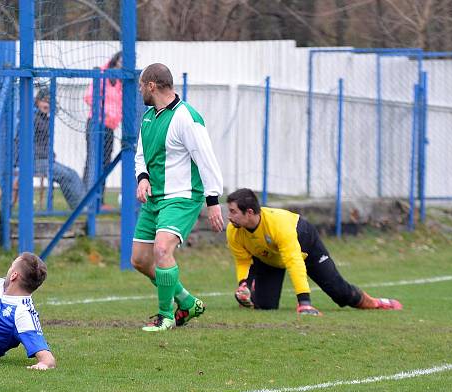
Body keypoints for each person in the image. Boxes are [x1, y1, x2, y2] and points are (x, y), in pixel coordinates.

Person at [131, 63, 226, 332]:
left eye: (141, 85)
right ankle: (186, 302)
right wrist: (143, 178)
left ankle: (165, 316)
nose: (140, 90)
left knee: (162, 249)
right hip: (155, 199)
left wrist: (213, 201)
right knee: (139, 260)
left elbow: (206, 160)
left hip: (182, 197)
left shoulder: (187, 118)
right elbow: (140, 156)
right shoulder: (149, 118)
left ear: (151, 85)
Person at [225, 188, 403, 315]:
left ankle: (376, 303)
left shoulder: (278, 225)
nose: (229, 216)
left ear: (249, 212)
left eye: (233, 211)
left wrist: (304, 302)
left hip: (305, 245)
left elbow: (294, 262)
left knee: (339, 292)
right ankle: (251, 292)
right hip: (270, 258)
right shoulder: (233, 230)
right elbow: (242, 261)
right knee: (264, 307)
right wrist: (243, 285)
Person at [12, 88, 86, 211]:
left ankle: (82, 205)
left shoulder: (45, 119)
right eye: (44, 101)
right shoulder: (31, 118)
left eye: (49, 102)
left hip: (45, 160)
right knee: (65, 175)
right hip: (31, 161)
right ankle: (79, 208)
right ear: (37, 102)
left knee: (72, 173)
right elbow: (23, 144)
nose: (46, 105)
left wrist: (50, 154)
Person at [83, 51, 122, 207]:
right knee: (93, 160)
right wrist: (104, 112)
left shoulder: (121, 81)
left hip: (110, 127)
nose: (123, 63)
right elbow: (89, 97)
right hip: (96, 124)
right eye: (121, 60)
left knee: (105, 162)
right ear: (116, 60)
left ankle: (100, 200)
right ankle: (86, 198)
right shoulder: (101, 74)